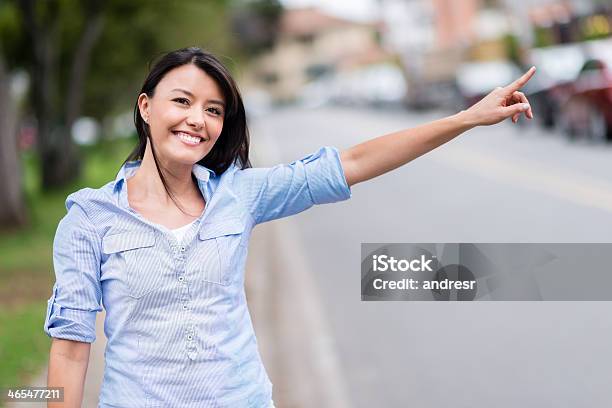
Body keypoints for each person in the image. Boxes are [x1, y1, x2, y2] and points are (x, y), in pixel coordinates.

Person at [43, 47, 535, 407]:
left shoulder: (239, 195)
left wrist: (466, 119)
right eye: (182, 101)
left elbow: (355, 162)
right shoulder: (90, 220)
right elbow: (68, 353)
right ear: (146, 107)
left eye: (213, 110)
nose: (198, 119)